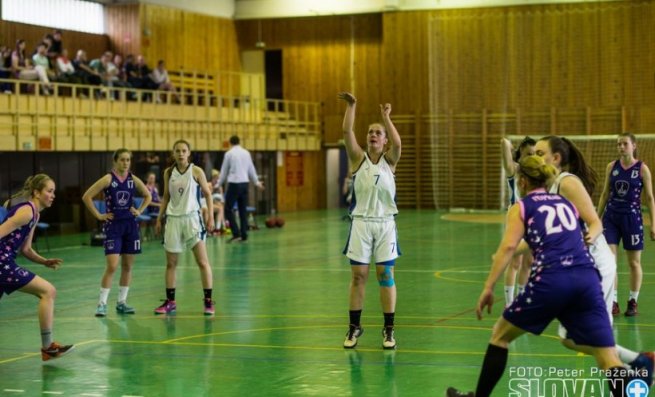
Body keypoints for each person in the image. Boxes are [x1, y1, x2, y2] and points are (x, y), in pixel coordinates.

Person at [446, 155, 634, 397]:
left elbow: (509, 248)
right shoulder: (566, 203)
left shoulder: (521, 207)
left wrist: (488, 286)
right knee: (607, 358)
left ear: (522, 182)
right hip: (587, 279)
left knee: (500, 336)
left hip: (552, 278)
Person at [533, 135, 654, 382]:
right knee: (570, 337)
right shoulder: (550, 187)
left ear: (555, 158)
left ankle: (632, 372)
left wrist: (588, 236)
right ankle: (640, 363)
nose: (535, 157)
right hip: (584, 267)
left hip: (595, 266)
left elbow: (594, 223)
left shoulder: (567, 183)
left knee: (586, 337)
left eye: (539, 152)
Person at [338, 92, 401, 350]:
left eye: (378, 133)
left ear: (384, 140)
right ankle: (354, 328)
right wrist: (352, 106)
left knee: (385, 274)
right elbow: (346, 131)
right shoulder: (357, 159)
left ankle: (388, 329)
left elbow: (398, 143)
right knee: (359, 276)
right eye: (370, 132)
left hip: (385, 223)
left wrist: (386, 118)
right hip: (361, 223)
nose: (373, 135)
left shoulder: (390, 161)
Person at [0, 174, 74, 361]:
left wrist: (44, 261)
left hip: (6, 262)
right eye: (49, 191)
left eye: (53, 191)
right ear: (36, 192)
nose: (53, 195)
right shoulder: (26, 212)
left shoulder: (35, 213)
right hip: (2, 263)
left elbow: (26, 249)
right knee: (48, 291)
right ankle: (48, 347)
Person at [82, 149, 151, 317]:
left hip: (130, 226)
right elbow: (87, 196)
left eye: (128, 160)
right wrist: (98, 215)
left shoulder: (132, 179)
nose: (125, 163)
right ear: (115, 161)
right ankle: (102, 304)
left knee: (127, 266)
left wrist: (139, 210)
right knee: (112, 266)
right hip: (113, 226)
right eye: (122, 160)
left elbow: (147, 195)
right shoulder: (108, 179)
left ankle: (122, 302)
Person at [154, 139, 215, 315]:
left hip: (192, 220)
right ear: (173, 153)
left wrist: (210, 216)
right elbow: (165, 197)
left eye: (183, 150)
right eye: (177, 151)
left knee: (202, 262)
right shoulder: (168, 172)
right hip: (173, 220)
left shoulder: (196, 171)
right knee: (171, 263)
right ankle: (171, 302)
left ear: (189, 153)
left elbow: (208, 195)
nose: (180, 153)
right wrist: (159, 218)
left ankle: (208, 301)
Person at [597, 133, 655, 317]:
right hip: (611, 218)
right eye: (618, 144)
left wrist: (654, 224)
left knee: (634, 262)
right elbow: (605, 193)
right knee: (610, 262)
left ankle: (632, 301)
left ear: (634, 146)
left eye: (625, 144)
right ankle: (612, 301)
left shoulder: (642, 169)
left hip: (632, 219)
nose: (621, 147)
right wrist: (596, 219)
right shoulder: (611, 167)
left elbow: (650, 198)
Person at [500, 137, 535, 306]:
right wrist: (510, 145)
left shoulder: (537, 173)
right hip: (516, 218)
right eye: (528, 153)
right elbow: (504, 144)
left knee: (528, 262)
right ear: (521, 153)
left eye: (534, 154)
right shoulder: (514, 169)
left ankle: (523, 300)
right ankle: (509, 304)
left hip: (533, 219)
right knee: (515, 261)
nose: (532, 157)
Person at [218, 136, 264, 243]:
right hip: (245, 184)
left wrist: (218, 184)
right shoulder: (246, 153)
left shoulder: (229, 154)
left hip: (234, 183)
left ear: (230, 143)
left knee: (227, 209)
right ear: (239, 142)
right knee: (243, 210)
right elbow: (251, 168)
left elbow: (224, 171)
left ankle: (236, 233)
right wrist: (257, 182)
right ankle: (244, 235)